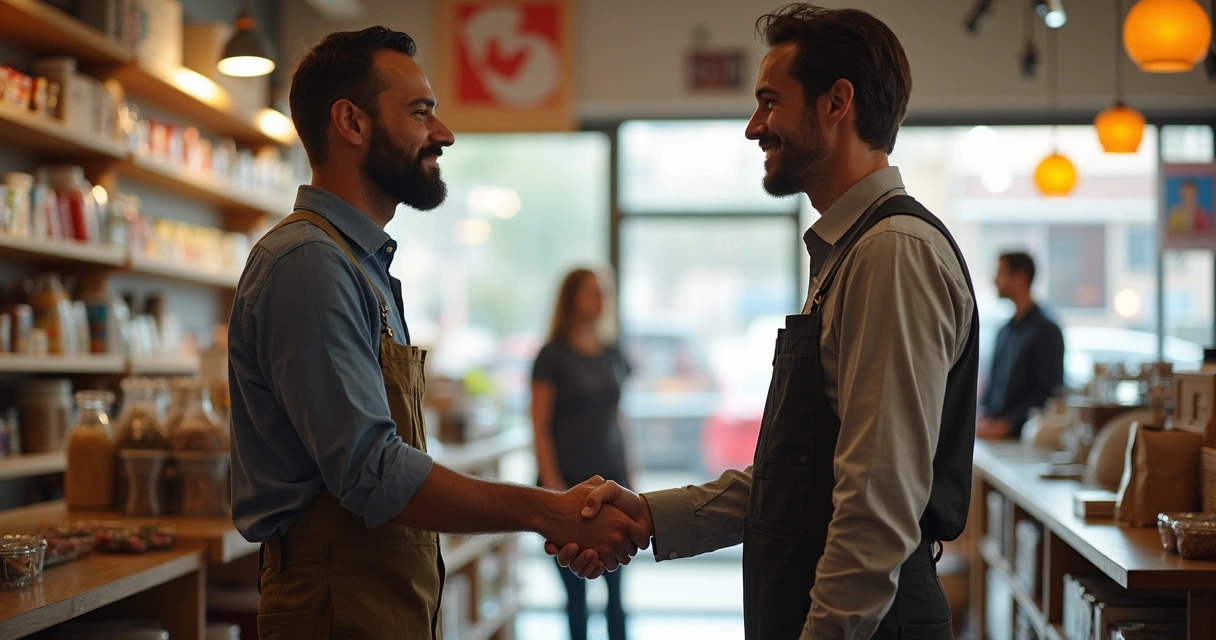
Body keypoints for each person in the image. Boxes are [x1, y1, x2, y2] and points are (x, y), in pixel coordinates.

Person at [548, 5, 979, 640]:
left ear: (838, 103)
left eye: (770, 102)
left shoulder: (891, 255)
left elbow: (875, 509)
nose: (754, 127)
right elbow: (804, 480)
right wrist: (648, 515)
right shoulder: (852, 252)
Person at [227, 27, 647, 639]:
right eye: (421, 112)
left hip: (374, 595)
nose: (443, 133)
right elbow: (372, 470)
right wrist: (548, 511)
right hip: (334, 604)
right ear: (352, 122)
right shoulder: (308, 264)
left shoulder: (356, 265)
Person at [532, 268, 634, 640]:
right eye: (593, 291)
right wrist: (554, 490)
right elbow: (540, 426)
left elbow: (619, 417)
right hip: (568, 485)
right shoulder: (552, 355)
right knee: (576, 594)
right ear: (572, 297)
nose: (601, 298)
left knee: (617, 592)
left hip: (612, 484)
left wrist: (631, 476)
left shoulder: (611, 352)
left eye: (604, 291)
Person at [978, 252, 1065, 441]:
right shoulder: (1004, 331)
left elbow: (1048, 390)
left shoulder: (1046, 330)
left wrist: (1008, 424)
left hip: (1025, 438)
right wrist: (984, 416)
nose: (994, 280)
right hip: (993, 434)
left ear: (1020, 278)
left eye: (1000, 272)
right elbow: (994, 385)